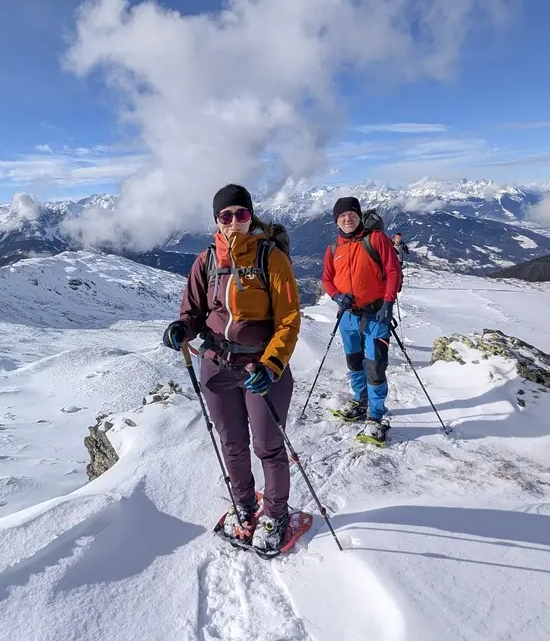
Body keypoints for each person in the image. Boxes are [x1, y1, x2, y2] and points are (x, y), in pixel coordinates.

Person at [161, 183, 301, 553]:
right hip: (217, 365)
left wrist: (272, 364)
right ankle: (244, 503)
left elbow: (288, 320)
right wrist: (182, 328)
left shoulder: (271, 258)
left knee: (268, 446)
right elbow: (192, 312)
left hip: (261, 367)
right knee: (232, 442)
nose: (235, 221)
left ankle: (275, 513)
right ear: (217, 221)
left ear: (250, 215)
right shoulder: (206, 261)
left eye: (242, 214)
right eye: (226, 215)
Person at [321, 196, 402, 444]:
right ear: (337, 220)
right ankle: (361, 401)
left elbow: (393, 271)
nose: (348, 219)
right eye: (342, 216)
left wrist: (388, 303)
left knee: (375, 366)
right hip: (348, 316)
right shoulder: (333, 248)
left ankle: (375, 417)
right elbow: (327, 279)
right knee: (354, 362)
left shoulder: (376, 239)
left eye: (352, 214)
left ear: (359, 216)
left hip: (375, 313)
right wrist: (336, 296)